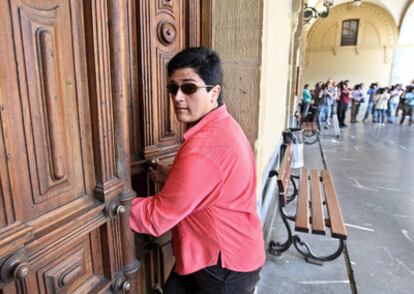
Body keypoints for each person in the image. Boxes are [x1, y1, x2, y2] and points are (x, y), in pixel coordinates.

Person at [129, 47, 265, 294]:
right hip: (225, 253)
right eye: (173, 88)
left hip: (223, 266)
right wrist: (172, 174)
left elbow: (156, 217)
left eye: (189, 88)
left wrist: (115, 207)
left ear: (214, 92)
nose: (178, 97)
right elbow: (216, 182)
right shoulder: (223, 127)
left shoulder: (204, 148)